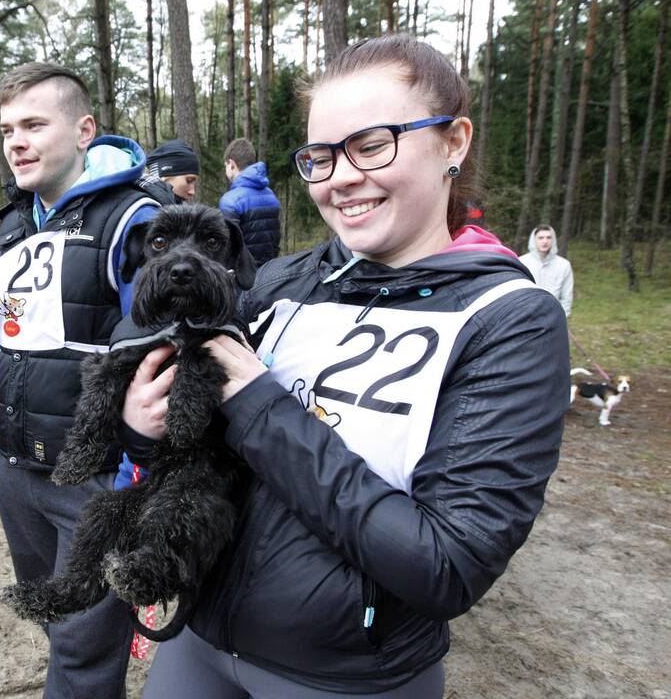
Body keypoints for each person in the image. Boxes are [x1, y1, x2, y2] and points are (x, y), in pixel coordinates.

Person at [126, 35, 569, 697]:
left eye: (371, 145)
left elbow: (447, 566)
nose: (340, 177)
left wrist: (259, 405)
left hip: (346, 675)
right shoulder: (278, 283)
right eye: (320, 156)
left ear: (453, 142)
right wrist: (146, 428)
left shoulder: (509, 321)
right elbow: (200, 446)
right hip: (199, 638)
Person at [0, 62, 164, 698]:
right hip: (14, 469)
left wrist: (130, 477)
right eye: (8, 128)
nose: (16, 142)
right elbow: (12, 335)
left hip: (95, 483)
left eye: (34, 124)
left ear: (85, 129)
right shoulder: (11, 220)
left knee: (85, 650)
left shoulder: (137, 219)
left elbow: (165, 356)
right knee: (55, 620)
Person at [219, 137, 281, 266]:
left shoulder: (230, 200)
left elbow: (228, 246)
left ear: (231, 164)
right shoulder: (271, 195)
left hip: (243, 276)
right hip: (269, 272)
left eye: (225, 166)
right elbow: (275, 241)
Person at [519, 224, 574, 317]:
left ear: (553, 240)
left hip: (554, 316)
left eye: (548, 237)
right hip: (526, 316)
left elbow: (566, 297)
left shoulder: (563, 265)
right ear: (534, 240)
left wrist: (562, 317)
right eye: (541, 238)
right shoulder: (522, 262)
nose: (545, 241)